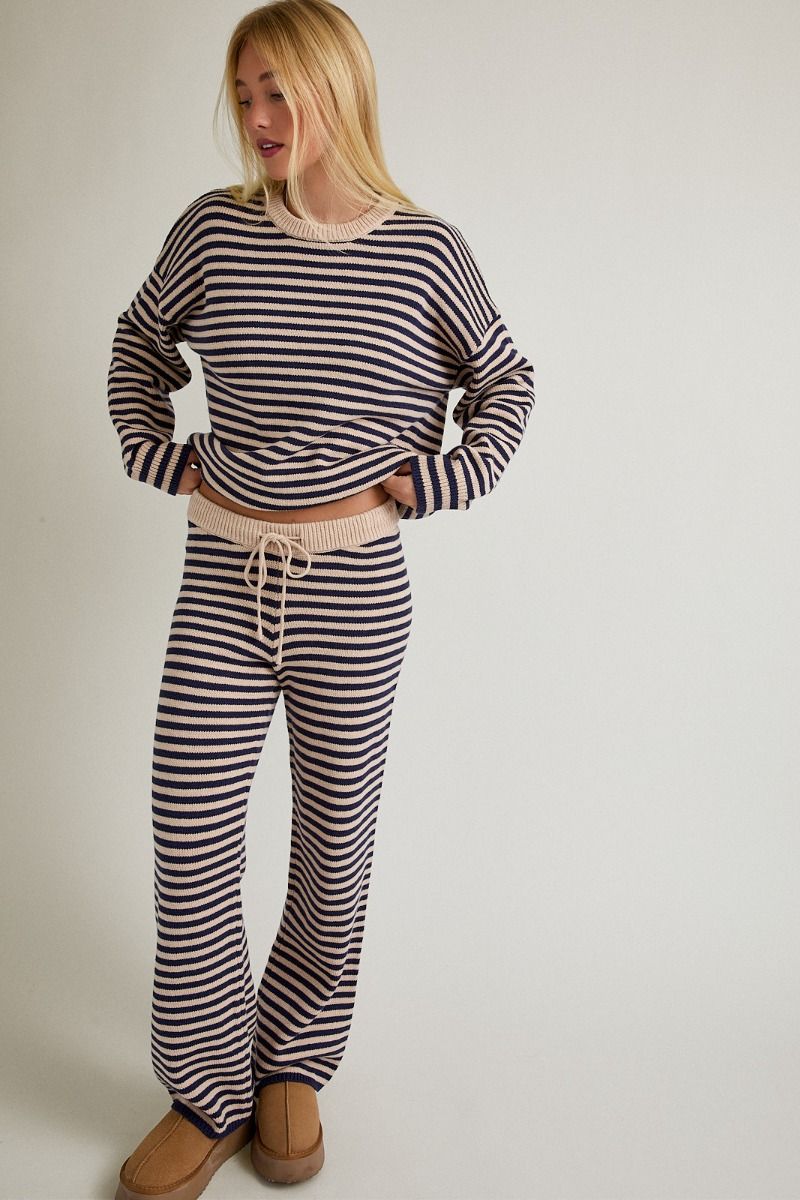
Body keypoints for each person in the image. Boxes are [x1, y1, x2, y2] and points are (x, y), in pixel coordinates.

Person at [108, 1, 535, 1196]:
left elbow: (503, 383)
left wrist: (438, 481)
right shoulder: (213, 231)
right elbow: (140, 342)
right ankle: (206, 1089)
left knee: (332, 838)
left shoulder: (426, 251)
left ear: (338, 90)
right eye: (244, 93)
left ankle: (290, 1064)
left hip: (355, 588)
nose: (256, 116)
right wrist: (158, 453)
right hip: (221, 580)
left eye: (279, 91)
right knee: (189, 826)